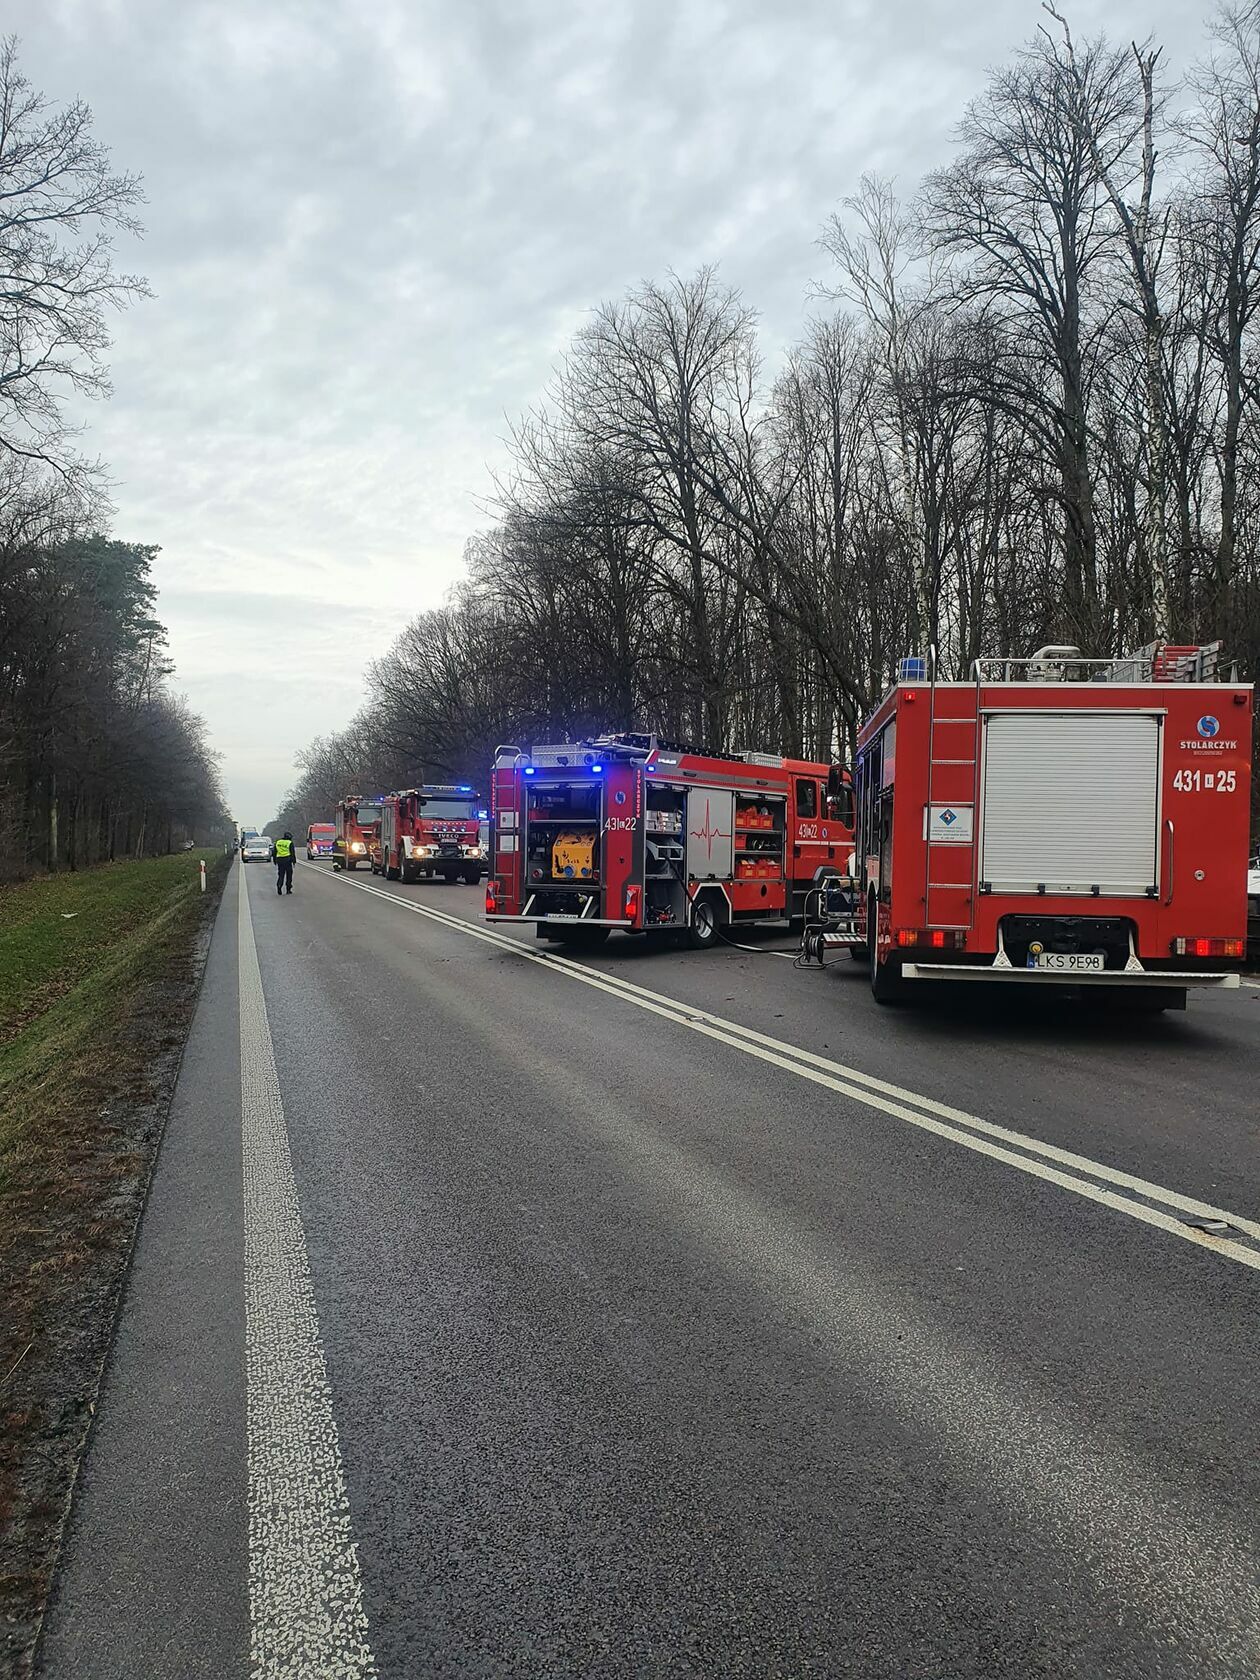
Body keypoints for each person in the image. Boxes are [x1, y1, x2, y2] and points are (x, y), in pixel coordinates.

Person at [274, 831, 295, 895]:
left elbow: (274, 852)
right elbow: (292, 853)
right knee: (289, 875)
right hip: (287, 860)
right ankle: (288, 889)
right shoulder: (290, 843)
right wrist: (294, 861)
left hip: (280, 860)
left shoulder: (278, 842)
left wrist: (275, 860)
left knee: (281, 875)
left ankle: (279, 885)